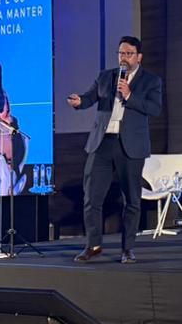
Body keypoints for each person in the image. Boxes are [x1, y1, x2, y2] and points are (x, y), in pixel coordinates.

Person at [67, 36, 163, 264]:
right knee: (91, 198)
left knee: (132, 201)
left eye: (129, 54)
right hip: (102, 144)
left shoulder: (151, 81)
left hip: (130, 146)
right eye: (121, 53)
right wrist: (79, 101)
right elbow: (90, 97)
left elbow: (154, 109)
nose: (124, 58)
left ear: (139, 57)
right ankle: (93, 245)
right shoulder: (105, 76)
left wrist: (129, 95)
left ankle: (127, 249)